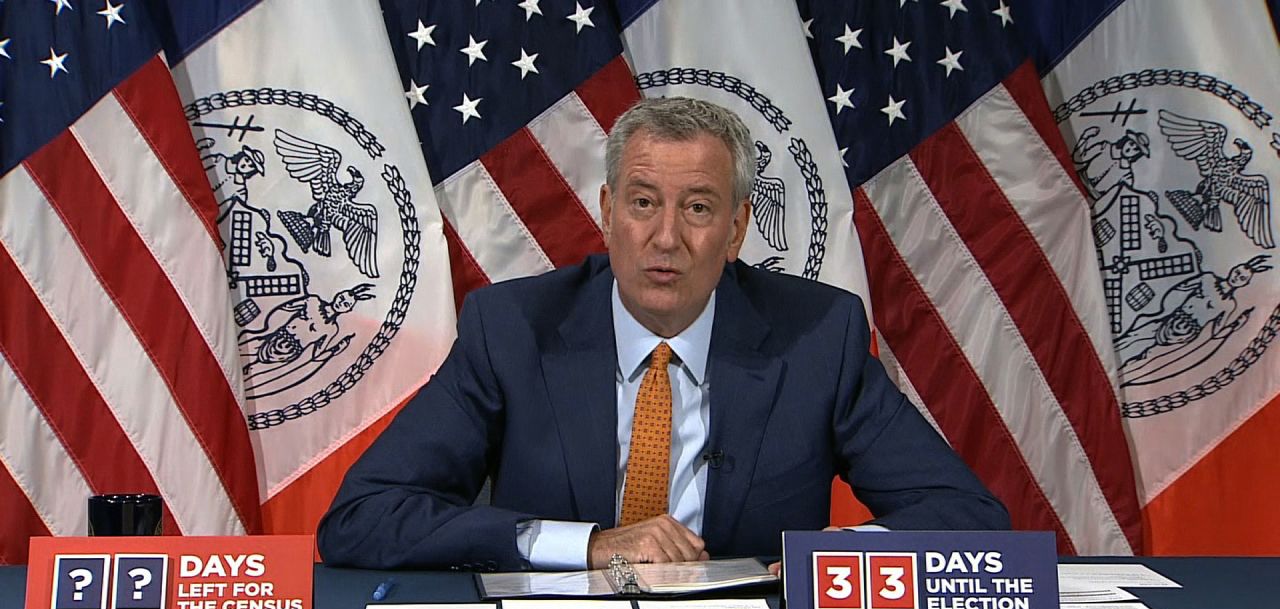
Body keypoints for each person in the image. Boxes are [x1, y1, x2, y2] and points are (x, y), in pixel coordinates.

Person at [317, 97, 1008, 572]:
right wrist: (587, 546)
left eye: (699, 208)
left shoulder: (816, 339)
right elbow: (363, 517)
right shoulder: (515, 330)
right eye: (644, 203)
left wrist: (840, 557)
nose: (666, 237)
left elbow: (969, 519)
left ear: (737, 229)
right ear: (609, 212)